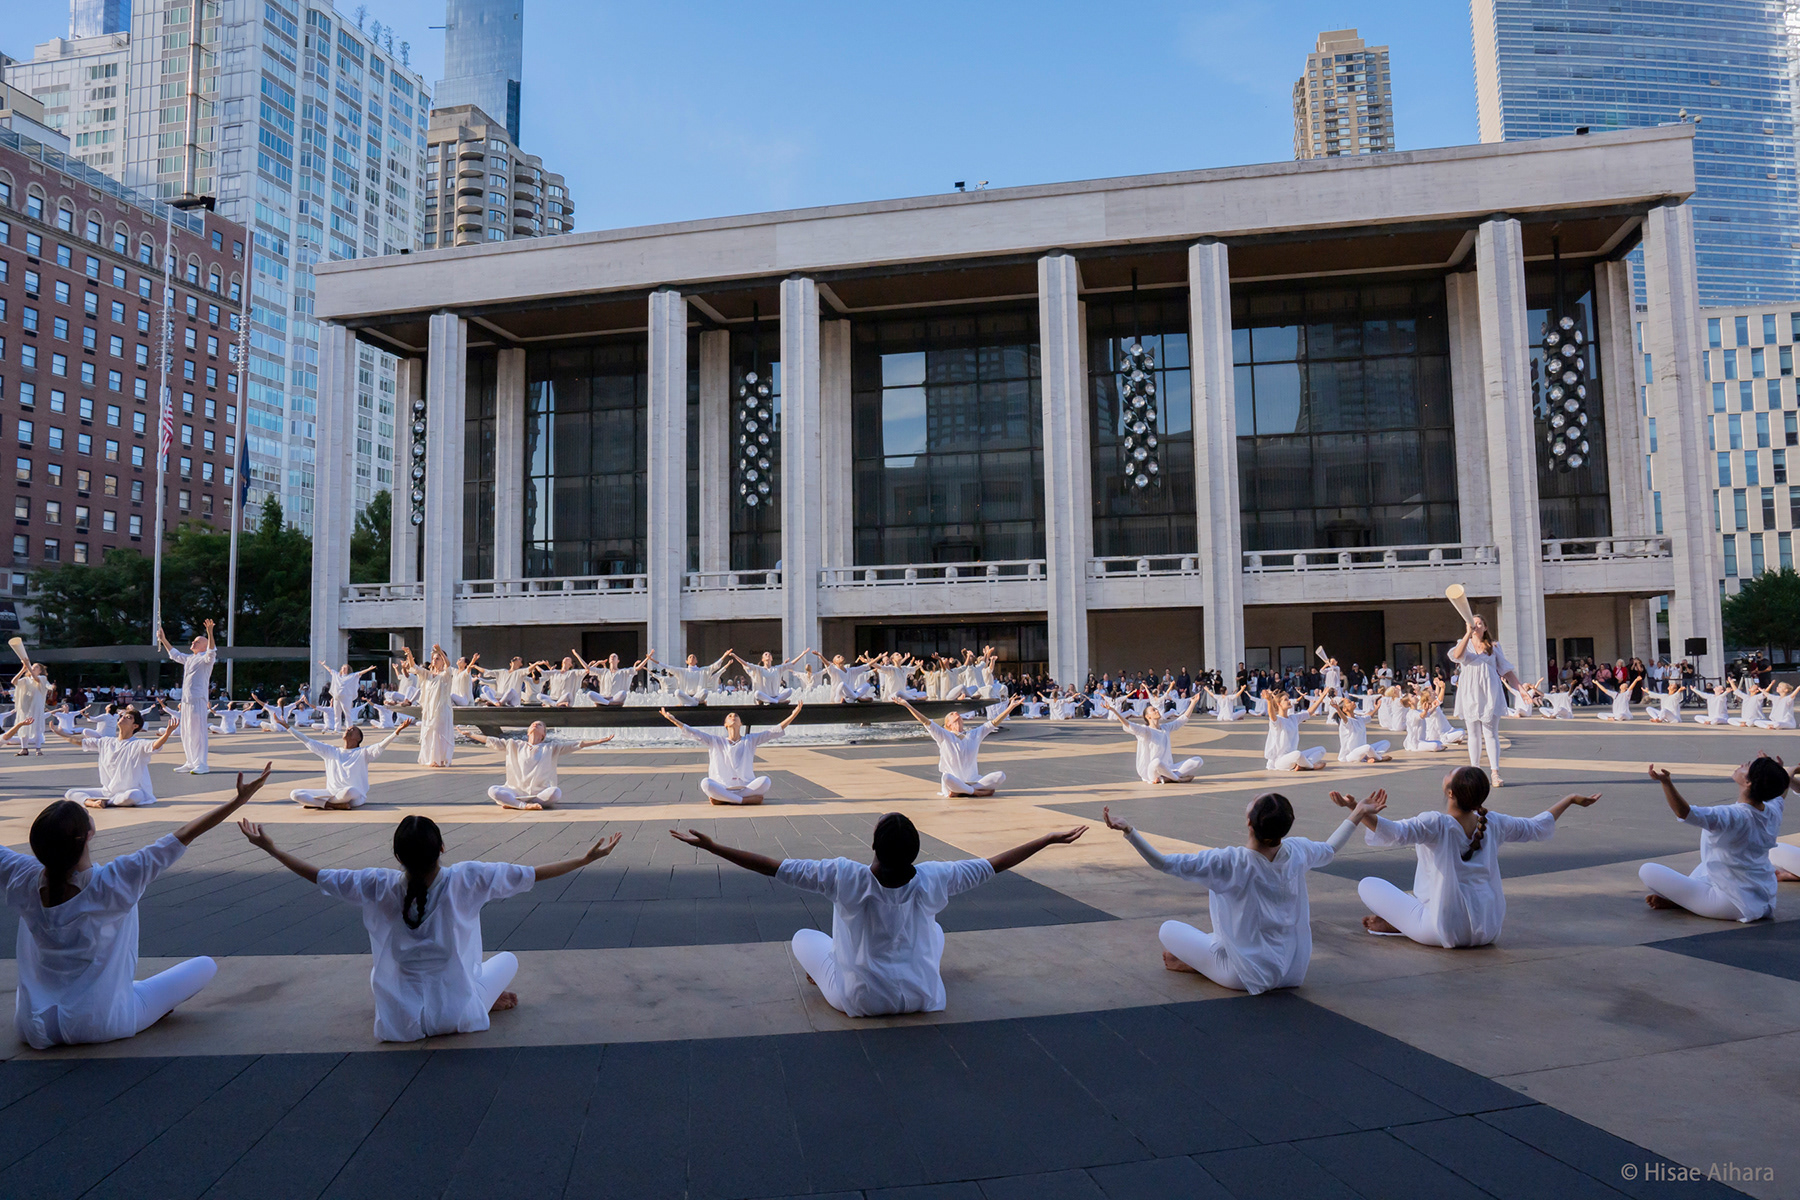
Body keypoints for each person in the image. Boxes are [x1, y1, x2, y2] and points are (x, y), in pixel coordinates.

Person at [239, 814, 622, 1042]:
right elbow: (532, 875)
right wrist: (584, 859)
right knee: (507, 960)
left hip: (397, 1020)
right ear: (442, 848)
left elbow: (319, 875)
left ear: (397, 856)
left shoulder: (377, 883)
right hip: (458, 1014)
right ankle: (485, 999)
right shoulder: (467, 878)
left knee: (462, 977)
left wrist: (271, 849)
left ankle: (486, 997)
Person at [669, 813, 1085, 1016]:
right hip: (926, 996)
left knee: (802, 938)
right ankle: (887, 965)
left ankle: (824, 974)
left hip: (863, 998)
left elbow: (774, 867)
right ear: (916, 852)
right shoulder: (936, 877)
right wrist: (1045, 839)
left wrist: (712, 847)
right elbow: (994, 864)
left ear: (872, 845)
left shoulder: (843, 876)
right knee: (934, 930)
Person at [2, 766, 271, 1049]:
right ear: (89, 833)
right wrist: (238, 801)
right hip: (101, 1021)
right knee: (205, 965)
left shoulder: (21, 875)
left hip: (33, 1025)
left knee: (138, 987)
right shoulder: (115, 879)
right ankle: (145, 1004)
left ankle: (138, 998)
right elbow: (183, 835)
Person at [1101, 792, 1381, 992]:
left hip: (1244, 975)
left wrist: (1129, 830)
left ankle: (1199, 965)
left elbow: (1162, 863)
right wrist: (1357, 813)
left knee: (1168, 930)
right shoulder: (1298, 850)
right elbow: (1331, 848)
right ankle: (1205, 959)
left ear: (1249, 822)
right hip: (1293, 971)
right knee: (1218, 936)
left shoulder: (1228, 862)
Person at [1343, 769, 1601, 947]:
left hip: (1439, 930)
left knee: (1368, 884)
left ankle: (1403, 925)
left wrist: (1358, 811)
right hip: (1487, 930)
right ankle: (1405, 923)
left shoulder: (1435, 823)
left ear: (1451, 792)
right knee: (1419, 899)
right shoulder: (1493, 822)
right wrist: (1568, 800)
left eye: (1450, 775)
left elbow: (1393, 833)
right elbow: (1536, 826)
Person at [1640, 758, 1787, 922]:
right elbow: (1780, 794)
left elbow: (1684, 813)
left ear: (1748, 782)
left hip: (1731, 903)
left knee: (1647, 870)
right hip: (1763, 897)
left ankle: (1684, 902)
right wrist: (1779, 773)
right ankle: (1686, 900)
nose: (1742, 764)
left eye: (1748, 766)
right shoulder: (1772, 810)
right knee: (1707, 864)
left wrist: (1666, 783)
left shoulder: (1732, 815)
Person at [268, 704, 414, 809]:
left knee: (350, 791)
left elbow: (381, 745)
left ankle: (321, 804)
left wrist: (398, 730)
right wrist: (287, 727)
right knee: (295, 794)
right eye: (348, 728)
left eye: (353, 729)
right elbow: (307, 740)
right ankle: (331, 805)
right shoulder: (331, 751)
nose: (349, 729)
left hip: (354, 797)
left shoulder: (363, 753)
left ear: (358, 739)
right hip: (332, 794)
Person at [661, 704, 804, 805]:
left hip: (746, 787)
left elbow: (772, 732)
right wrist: (672, 719)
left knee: (766, 781)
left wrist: (794, 715)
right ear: (725, 724)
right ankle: (743, 801)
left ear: (741, 723)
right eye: (730, 716)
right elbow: (693, 733)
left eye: (736, 716)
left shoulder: (750, 740)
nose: (733, 716)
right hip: (722, 786)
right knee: (706, 783)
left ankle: (725, 799)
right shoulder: (715, 741)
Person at [463, 721, 615, 809]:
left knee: (556, 792)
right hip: (515, 790)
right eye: (533, 724)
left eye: (540, 725)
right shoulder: (514, 744)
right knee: (493, 790)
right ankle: (522, 805)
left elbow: (576, 744)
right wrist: (471, 735)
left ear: (543, 734)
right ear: (529, 731)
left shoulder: (551, 747)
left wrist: (599, 741)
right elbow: (491, 741)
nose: (536, 724)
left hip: (538, 794)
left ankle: (515, 804)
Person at [1447, 615, 1522, 785]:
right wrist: (1467, 634)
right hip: (1470, 692)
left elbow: (1506, 669)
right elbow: (1457, 656)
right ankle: (1475, 772)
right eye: (1473, 624)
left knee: (1491, 733)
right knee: (1473, 734)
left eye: (1480, 624)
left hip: (1490, 692)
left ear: (1485, 627)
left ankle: (1495, 773)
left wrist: (1521, 688)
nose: (1476, 626)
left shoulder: (1493, 646)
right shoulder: (1463, 643)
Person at [897, 695, 1021, 796]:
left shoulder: (974, 734)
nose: (955, 712)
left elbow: (993, 723)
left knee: (1000, 776)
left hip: (973, 780)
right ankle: (975, 793)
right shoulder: (944, 735)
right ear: (948, 724)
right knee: (946, 778)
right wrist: (907, 705)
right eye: (951, 714)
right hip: (953, 782)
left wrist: (1010, 707)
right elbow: (925, 721)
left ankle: (967, 790)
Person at [56, 707, 179, 807]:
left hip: (130, 791)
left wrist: (167, 733)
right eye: (123, 716)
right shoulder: (106, 741)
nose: (123, 717)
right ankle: (91, 802)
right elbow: (80, 742)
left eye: (128, 717)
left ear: (135, 726)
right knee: (70, 793)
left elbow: (155, 745)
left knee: (133, 796)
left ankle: (107, 803)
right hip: (108, 791)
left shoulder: (138, 744)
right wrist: (61, 734)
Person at [1103, 691, 1205, 783]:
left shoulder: (1166, 728)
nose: (1156, 711)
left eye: (1156, 709)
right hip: (1151, 771)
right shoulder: (1145, 731)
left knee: (1198, 760)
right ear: (1148, 717)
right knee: (1156, 762)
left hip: (1168, 768)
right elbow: (1128, 724)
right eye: (1153, 710)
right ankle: (1177, 779)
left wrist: (1193, 703)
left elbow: (1182, 720)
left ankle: (1169, 777)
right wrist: (1113, 710)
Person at [159, 619, 218, 774]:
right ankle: (191, 761)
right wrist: (163, 639)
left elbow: (212, 650)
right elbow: (174, 654)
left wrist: (210, 632)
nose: (193, 642)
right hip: (185, 701)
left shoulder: (206, 659)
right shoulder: (190, 659)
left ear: (204, 646)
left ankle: (202, 764)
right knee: (186, 732)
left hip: (198, 700)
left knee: (198, 732)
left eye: (197, 641)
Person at [405, 645, 458, 766]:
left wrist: (441, 652)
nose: (435, 660)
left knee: (438, 732)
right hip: (428, 710)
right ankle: (433, 758)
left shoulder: (445, 675)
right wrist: (409, 654)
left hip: (442, 709)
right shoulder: (427, 674)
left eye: (438, 658)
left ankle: (438, 759)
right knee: (429, 732)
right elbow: (414, 668)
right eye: (434, 658)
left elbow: (448, 665)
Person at [1262, 690, 1327, 771]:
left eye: (1288, 699)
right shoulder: (1277, 720)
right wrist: (1269, 701)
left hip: (1293, 757)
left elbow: (1309, 712)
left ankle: (1303, 764)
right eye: (1286, 700)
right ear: (1279, 704)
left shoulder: (1293, 718)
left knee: (1321, 749)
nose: (1289, 701)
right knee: (1298, 754)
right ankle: (1311, 766)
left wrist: (1321, 697)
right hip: (1280, 761)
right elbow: (1272, 715)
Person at [732, 648, 811, 705]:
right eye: (766, 654)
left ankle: (774, 700)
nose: (768, 655)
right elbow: (745, 664)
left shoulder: (777, 668)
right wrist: (735, 656)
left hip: (774, 696)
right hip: (763, 697)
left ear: (772, 658)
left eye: (769, 654)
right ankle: (776, 701)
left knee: (789, 691)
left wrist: (802, 654)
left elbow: (792, 664)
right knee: (757, 693)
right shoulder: (759, 669)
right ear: (763, 659)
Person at [318, 660, 377, 731]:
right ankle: (337, 728)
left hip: (346, 698)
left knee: (347, 713)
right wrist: (323, 665)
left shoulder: (351, 676)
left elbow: (360, 673)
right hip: (337, 697)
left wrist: (368, 669)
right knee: (337, 714)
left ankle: (349, 728)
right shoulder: (337, 675)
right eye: (343, 667)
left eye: (345, 668)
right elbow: (330, 670)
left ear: (348, 670)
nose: (343, 669)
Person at [1330, 696, 1392, 763]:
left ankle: (1371, 756)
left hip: (1363, 751)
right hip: (1350, 755)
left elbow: (1369, 716)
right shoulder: (1346, 722)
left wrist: (1376, 708)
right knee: (1367, 747)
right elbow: (1344, 719)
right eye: (1350, 702)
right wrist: (1337, 708)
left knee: (1386, 742)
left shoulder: (1359, 718)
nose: (1353, 702)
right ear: (1344, 709)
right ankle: (1379, 758)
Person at [10, 658, 51, 755]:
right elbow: (14, 682)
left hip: (36, 707)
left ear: (40, 671)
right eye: (33, 666)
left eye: (36, 667)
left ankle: (38, 749)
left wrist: (27, 665)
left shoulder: (42, 679)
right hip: (26, 707)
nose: (33, 667)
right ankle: (24, 749)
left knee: (37, 728)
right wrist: (23, 669)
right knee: (24, 727)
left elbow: (36, 679)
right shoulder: (25, 680)